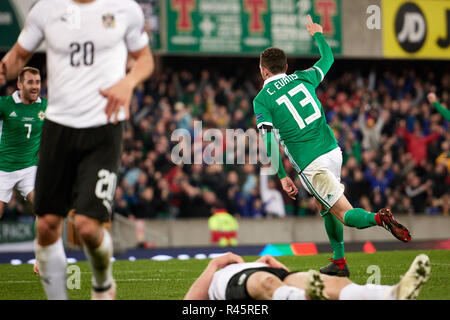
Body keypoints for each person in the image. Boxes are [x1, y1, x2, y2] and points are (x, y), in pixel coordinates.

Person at [0, 0, 154, 300]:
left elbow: (145, 58)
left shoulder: (125, 8)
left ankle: (102, 281)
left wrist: (129, 82)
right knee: (46, 225)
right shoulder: (45, 9)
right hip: (59, 128)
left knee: (86, 226)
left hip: (104, 127)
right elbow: (18, 56)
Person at [252, 15, 411, 277]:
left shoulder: (262, 100)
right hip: (332, 152)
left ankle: (378, 218)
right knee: (324, 206)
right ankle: (339, 263)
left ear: (263, 70)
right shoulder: (303, 77)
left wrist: (281, 176)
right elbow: (328, 59)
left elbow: (268, 140)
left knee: (343, 213)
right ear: (286, 66)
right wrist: (318, 34)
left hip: (311, 163)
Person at [184, 252, 430, 300]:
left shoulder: (255, 261)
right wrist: (214, 264)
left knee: (333, 282)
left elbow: (284, 275)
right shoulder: (216, 274)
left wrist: (275, 265)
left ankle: (391, 294)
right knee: (266, 284)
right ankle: (303, 296)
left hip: (270, 271)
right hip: (235, 285)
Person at [0, 67, 46, 275]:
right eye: (30, 82)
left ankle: (40, 259)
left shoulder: (45, 107)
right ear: (20, 85)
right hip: (3, 167)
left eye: (37, 82)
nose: (35, 86)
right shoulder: (5, 104)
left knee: (43, 209)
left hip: (29, 168)